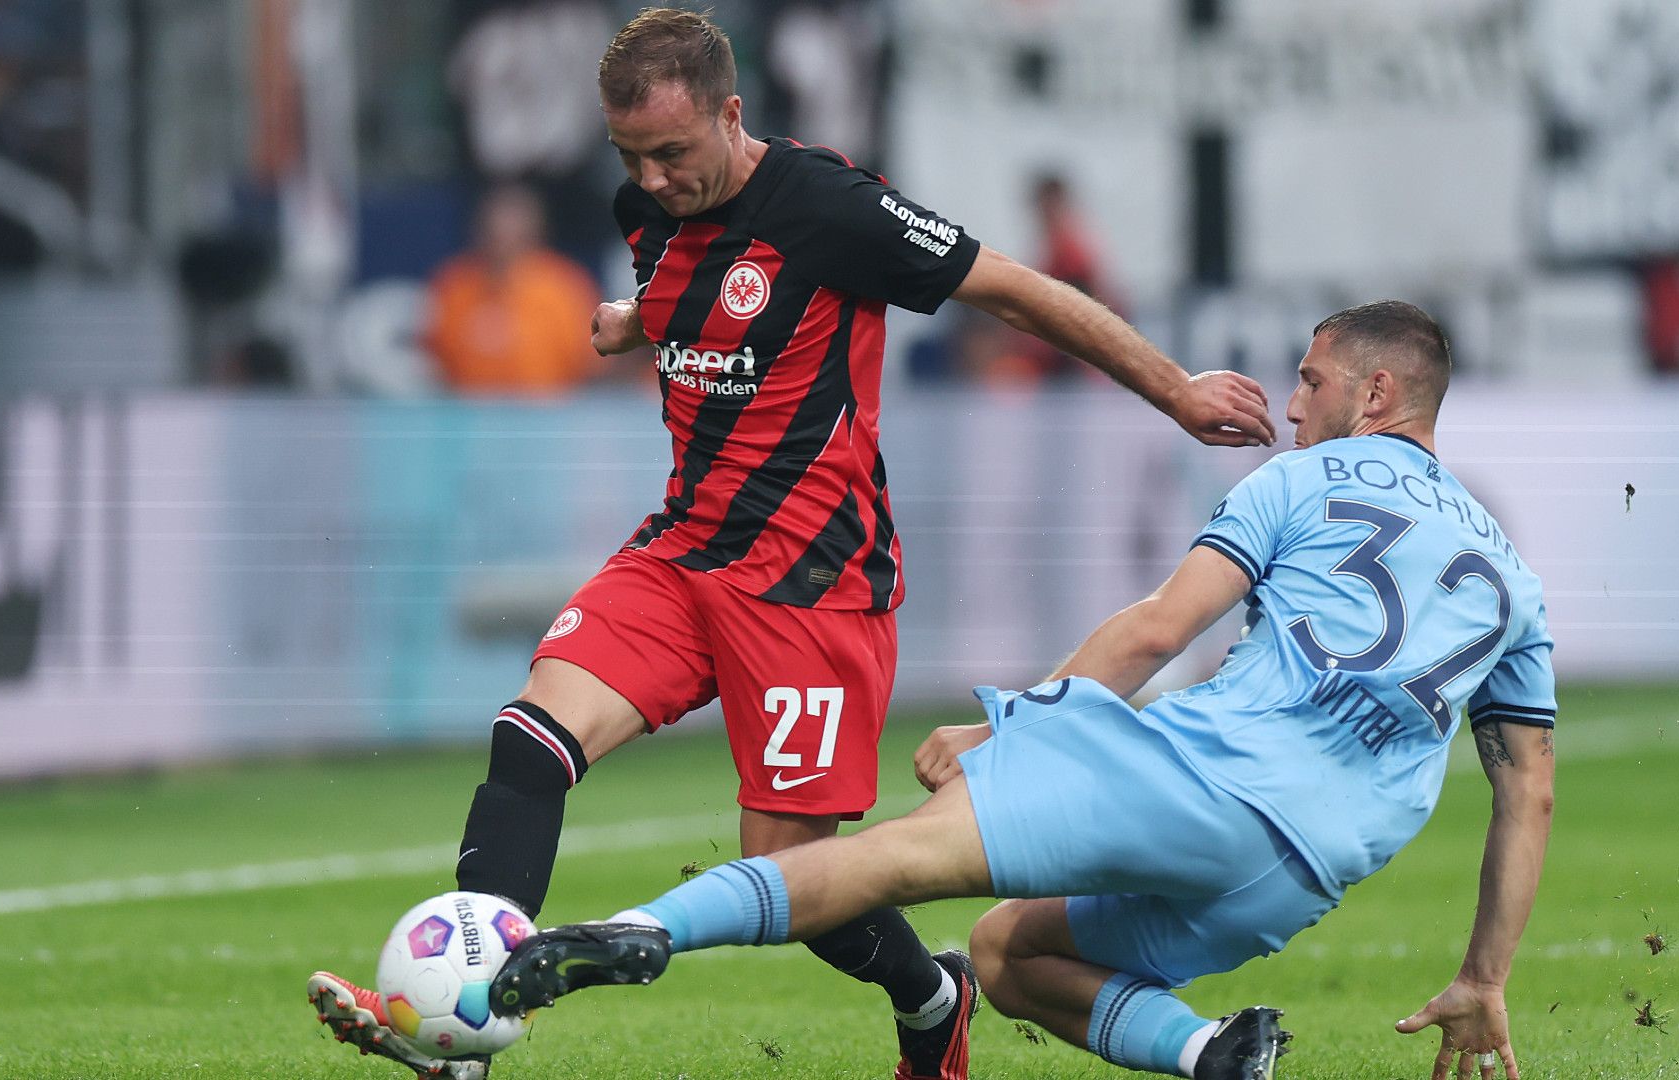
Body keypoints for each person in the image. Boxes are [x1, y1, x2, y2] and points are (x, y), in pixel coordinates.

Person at [309, 9, 1274, 1080]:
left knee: (796, 880)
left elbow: (1016, 289)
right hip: (680, 555)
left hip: (813, 585)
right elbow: (703, 288)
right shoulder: (648, 206)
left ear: (732, 114)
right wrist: (644, 318)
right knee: (529, 745)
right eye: (631, 155)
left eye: (674, 152)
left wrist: (1175, 389)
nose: (654, 177)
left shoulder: (828, 205)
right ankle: (468, 1026)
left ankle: (931, 995)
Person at [485, 302, 1557, 1080]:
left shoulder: (1301, 476)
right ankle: (1213, 1055)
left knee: (883, 858)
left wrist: (1013, 734)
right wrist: (1483, 976)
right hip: (1304, 871)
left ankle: (645, 929)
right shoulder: (1513, 574)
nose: (1291, 402)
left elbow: (1155, 631)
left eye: (1311, 380)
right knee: (1007, 951)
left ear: (1376, 393)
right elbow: (1528, 792)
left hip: (1202, 779)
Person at [420, 184, 603, 396]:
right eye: (494, 233)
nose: (503, 243)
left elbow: (590, 364)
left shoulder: (565, 287)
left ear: (534, 234)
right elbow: (435, 361)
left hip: (549, 414)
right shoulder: (453, 286)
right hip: (468, 414)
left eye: (513, 234)